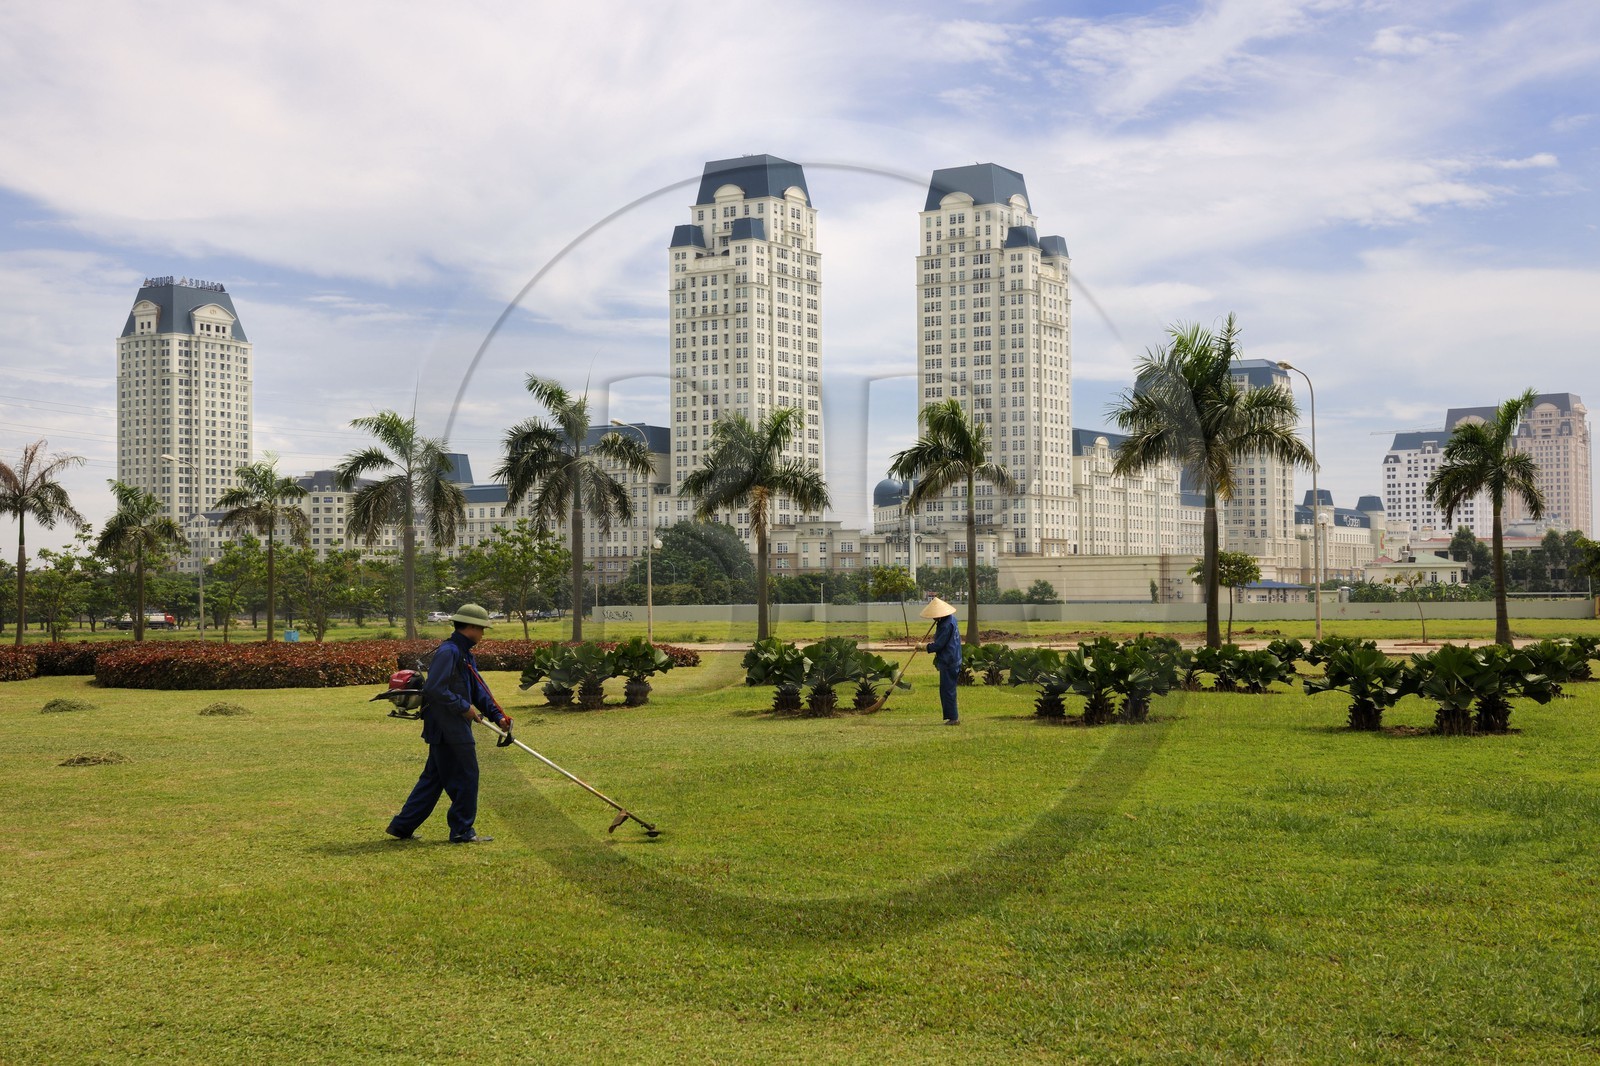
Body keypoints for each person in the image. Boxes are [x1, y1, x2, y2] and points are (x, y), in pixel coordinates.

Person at [386, 603, 513, 843]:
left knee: (433, 779)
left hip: (449, 726)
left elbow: (477, 688)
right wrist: (463, 707)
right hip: (447, 727)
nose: (483, 634)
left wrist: (498, 716)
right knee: (467, 776)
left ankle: (402, 826)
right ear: (471, 627)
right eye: (482, 629)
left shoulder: (463, 652)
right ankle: (462, 831)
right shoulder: (450, 651)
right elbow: (435, 689)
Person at [922, 596, 962, 725]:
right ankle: (952, 716)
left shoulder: (945, 625)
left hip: (949, 660)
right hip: (954, 657)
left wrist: (924, 647)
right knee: (947, 689)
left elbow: (939, 645)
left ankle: (953, 718)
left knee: (947, 689)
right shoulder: (950, 620)